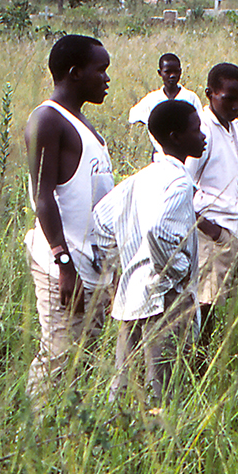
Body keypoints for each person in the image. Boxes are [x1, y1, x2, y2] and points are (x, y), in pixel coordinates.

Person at [93, 99, 206, 405]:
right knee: (163, 390)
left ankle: (114, 430)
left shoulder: (139, 178)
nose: (202, 135)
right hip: (165, 299)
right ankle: (157, 436)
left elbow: (100, 221)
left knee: (124, 384)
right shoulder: (180, 183)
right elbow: (159, 231)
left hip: (131, 296)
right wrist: (175, 273)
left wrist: (118, 267)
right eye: (196, 129)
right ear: (175, 137)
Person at [23, 35, 116, 399]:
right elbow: (42, 196)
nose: (106, 79)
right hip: (65, 267)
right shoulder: (48, 120)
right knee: (59, 359)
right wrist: (64, 264)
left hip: (91, 267)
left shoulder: (82, 123)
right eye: (101, 70)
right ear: (75, 73)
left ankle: (66, 428)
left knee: (83, 360)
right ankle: (36, 427)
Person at [185, 63, 238, 350]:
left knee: (236, 302)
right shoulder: (202, 129)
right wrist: (211, 230)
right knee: (207, 304)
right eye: (229, 99)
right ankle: (198, 364)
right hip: (215, 233)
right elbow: (183, 185)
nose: (236, 106)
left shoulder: (232, 125)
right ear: (209, 94)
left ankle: (225, 356)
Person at [128, 53, 202, 159]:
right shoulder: (153, 98)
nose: (172, 75)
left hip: (186, 155)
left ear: (180, 72)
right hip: (160, 155)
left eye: (176, 72)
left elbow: (200, 122)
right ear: (160, 73)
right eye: (167, 72)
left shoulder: (190, 97)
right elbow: (133, 115)